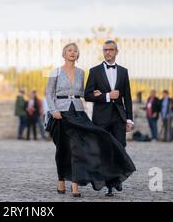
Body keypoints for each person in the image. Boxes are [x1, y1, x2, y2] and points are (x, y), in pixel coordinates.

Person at [47, 42, 135, 198]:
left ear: (78, 55)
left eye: (75, 51)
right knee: (63, 148)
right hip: (61, 113)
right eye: (69, 50)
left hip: (78, 112)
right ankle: (61, 179)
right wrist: (54, 111)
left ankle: (76, 183)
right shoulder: (55, 72)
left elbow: (84, 93)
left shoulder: (81, 72)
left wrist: (97, 94)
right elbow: (48, 93)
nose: (72, 53)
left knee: (78, 149)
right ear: (64, 54)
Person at [84, 40, 136, 197]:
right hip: (101, 118)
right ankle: (110, 185)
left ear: (116, 52)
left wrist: (129, 119)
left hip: (119, 117)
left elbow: (127, 97)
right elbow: (87, 95)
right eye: (105, 50)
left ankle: (116, 179)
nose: (107, 52)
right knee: (104, 150)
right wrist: (107, 96)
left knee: (120, 147)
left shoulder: (123, 71)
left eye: (110, 50)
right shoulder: (94, 71)